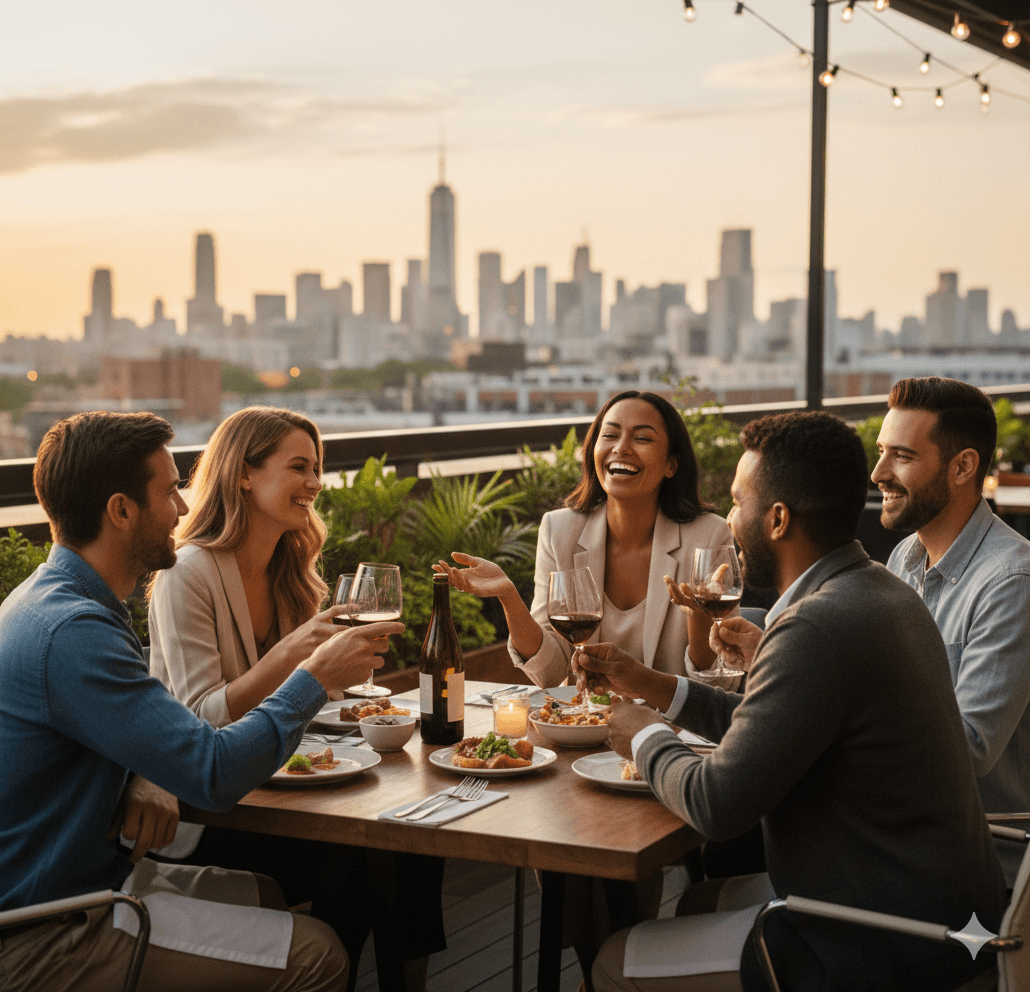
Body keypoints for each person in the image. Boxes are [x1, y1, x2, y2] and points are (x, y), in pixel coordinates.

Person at [578, 411, 1005, 992]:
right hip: (945, 912)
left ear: (778, 519)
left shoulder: (815, 625)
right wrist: (651, 686)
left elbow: (716, 804)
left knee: (611, 962)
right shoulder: (880, 589)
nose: (730, 520)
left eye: (737, 502)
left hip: (885, 941)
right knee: (699, 900)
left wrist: (643, 735)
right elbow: (772, 725)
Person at [0, 411, 401, 992]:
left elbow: (124, 728)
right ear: (121, 511)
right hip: (43, 930)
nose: (182, 509)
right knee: (319, 955)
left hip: (80, 886)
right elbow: (213, 773)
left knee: (268, 894)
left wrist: (141, 774)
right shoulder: (73, 631)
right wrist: (311, 675)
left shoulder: (60, 601)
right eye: (170, 491)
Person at [147, 406, 446, 989]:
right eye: (298, 467)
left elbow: (315, 702)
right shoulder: (188, 571)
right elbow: (202, 718)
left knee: (413, 834)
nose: (314, 482)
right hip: (211, 810)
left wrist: (348, 689)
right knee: (358, 851)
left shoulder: (291, 570)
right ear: (244, 473)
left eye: (317, 469)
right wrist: (296, 656)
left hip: (285, 788)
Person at [435, 390, 736, 691]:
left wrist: (699, 620)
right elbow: (551, 671)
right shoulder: (559, 531)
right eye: (610, 435)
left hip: (670, 721)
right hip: (588, 718)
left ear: (671, 464)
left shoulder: (709, 536)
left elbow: (722, 686)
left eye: (642, 438)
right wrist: (509, 596)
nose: (621, 448)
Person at [872, 376, 1030, 885]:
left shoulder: (1012, 581)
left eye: (902, 456)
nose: (878, 473)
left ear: (962, 467)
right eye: (881, 452)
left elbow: (970, 746)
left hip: (975, 870)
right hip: (901, 836)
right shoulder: (906, 556)